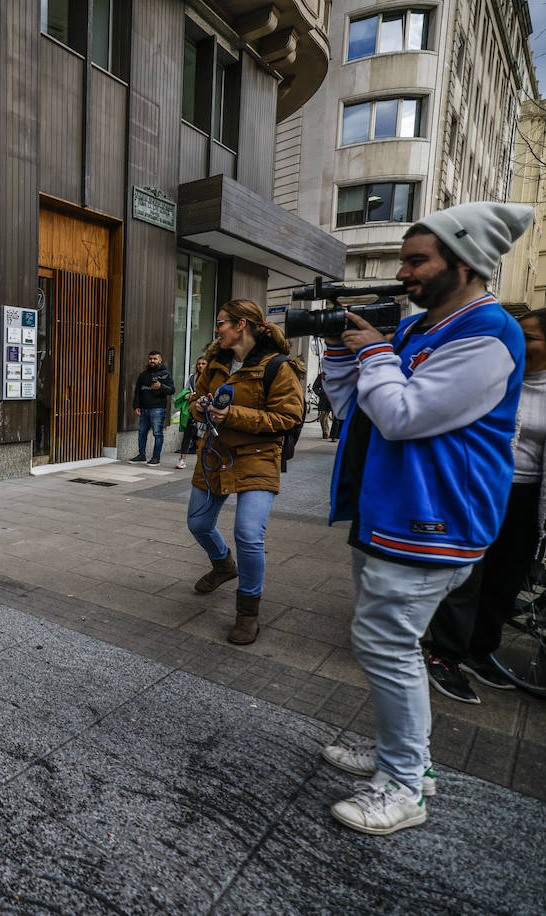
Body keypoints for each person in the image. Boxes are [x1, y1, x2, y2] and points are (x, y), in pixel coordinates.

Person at [318, 201, 533, 836]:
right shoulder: (413, 332)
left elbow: (404, 415)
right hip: (388, 512)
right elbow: (354, 406)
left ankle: (405, 784)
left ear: (466, 263)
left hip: (434, 519)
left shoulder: (489, 334)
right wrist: (341, 352)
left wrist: (375, 353)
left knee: (386, 645)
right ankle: (401, 756)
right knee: (390, 645)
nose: (403, 273)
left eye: (418, 260)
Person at [421, 307, 546, 704]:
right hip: (477, 488)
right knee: (465, 572)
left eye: (530, 337)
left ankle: (481, 650)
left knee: (506, 579)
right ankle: (446, 653)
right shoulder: (497, 375)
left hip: (526, 496)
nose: (520, 343)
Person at [186, 300, 303, 645]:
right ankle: (223, 566)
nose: (216, 329)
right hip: (215, 455)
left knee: (248, 533)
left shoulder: (278, 366)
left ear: (241, 325)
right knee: (198, 524)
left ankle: (247, 613)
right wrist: (201, 407)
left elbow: (287, 419)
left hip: (258, 455)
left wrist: (232, 414)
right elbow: (196, 401)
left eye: (220, 323)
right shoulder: (217, 362)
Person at [131, 350, 174, 466]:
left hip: (158, 409)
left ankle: (156, 458)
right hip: (144, 409)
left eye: (155, 359)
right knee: (142, 433)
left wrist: (161, 386)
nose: (152, 361)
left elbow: (172, 390)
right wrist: (136, 405)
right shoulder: (143, 375)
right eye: (150, 359)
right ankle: (141, 455)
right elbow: (137, 392)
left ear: (160, 360)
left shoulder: (166, 374)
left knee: (157, 434)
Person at [175, 356, 209, 469]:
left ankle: (202, 461)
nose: (200, 366)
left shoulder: (212, 378)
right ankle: (182, 460)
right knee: (187, 435)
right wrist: (188, 395)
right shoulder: (192, 378)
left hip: (206, 412)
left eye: (203, 363)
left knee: (202, 438)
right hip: (192, 410)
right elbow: (185, 392)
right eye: (199, 364)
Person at [314, 371, 334, 439]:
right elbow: (315, 386)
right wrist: (320, 393)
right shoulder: (321, 375)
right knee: (323, 418)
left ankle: (335, 435)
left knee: (336, 419)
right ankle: (325, 432)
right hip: (324, 399)